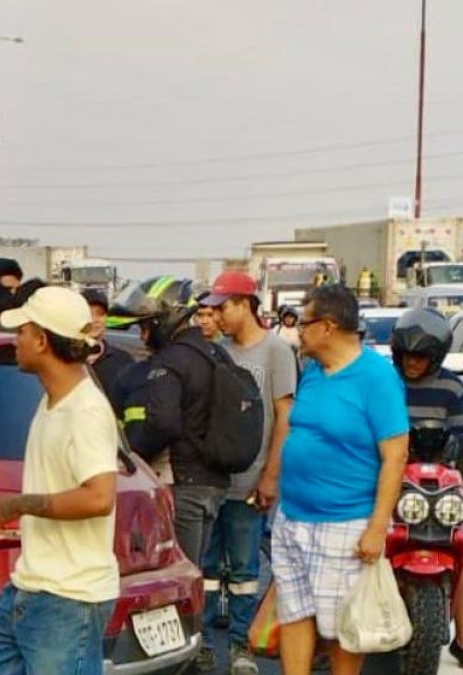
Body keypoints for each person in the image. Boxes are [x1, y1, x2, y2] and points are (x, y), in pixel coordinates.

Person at [0, 287, 118, 674]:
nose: (15, 340)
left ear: (42, 340)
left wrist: (21, 505)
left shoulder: (85, 410)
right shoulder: (52, 400)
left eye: (22, 331)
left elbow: (99, 498)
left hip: (68, 597)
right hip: (31, 585)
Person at [275, 285, 408, 675]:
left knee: (342, 628)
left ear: (328, 326)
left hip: (344, 522)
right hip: (293, 517)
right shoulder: (313, 372)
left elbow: (395, 455)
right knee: (294, 613)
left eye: (305, 323)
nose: (299, 330)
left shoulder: (377, 378)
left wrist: (377, 528)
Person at [196, 271, 297, 675]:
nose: (217, 316)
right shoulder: (216, 351)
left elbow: (285, 416)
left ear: (245, 305)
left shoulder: (276, 351)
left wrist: (270, 476)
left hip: (250, 483)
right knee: (205, 568)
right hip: (211, 482)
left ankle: (241, 646)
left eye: (222, 308)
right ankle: (203, 644)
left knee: (243, 571)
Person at [389, 308, 463, 671]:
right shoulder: (385, 382)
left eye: (421, 357)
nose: (412, 363)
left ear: (437, 357)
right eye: (407, 355)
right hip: (390, 479)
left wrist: (461, 444)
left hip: (441, 483)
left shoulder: (452, 388)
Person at [113, 275, 229, 567]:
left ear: (165, 320)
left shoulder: (170, 360)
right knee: (196, 569)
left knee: (178, 573)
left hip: (182, 483)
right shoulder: (217, 353)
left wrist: (130, 457)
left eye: (146, 327)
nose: (143, 337)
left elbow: (162, 422)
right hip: (213, 484)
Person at [82, 288, 136, 411]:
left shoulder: (123, 360)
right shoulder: (64, 359)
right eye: (89, 314)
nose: (95, 320)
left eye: (100, 314)